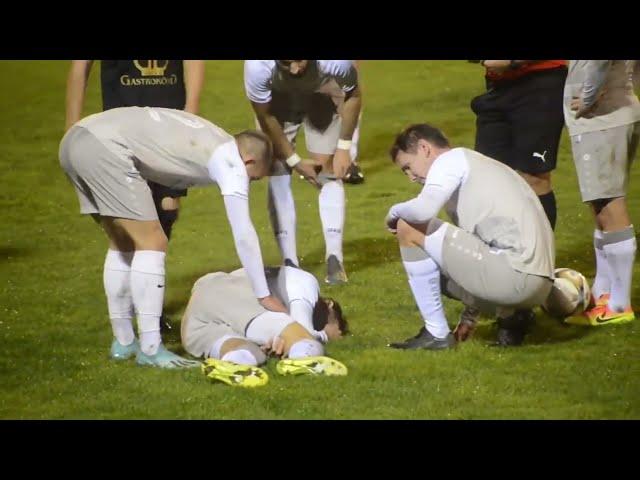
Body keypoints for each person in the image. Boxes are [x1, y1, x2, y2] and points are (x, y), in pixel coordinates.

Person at [59, 106, 286, 368]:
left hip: (75, 140)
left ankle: (123, 342)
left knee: (123, 243)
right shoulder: (231, 160)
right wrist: (263, 294)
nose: (249, 183)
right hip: (106, 149)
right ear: (249, 161)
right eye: (254, 178)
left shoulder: (215, 136)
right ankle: (151, 349)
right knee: (152, 242)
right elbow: (243, 233)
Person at [385, 123, 555, 348]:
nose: (411, 177)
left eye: (408, 167)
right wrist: (469, 318)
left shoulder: (448, 162)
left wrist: (393, 214)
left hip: (514, 276)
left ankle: (436, 334)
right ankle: (511, 318)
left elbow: (422, 211)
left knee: (410, 226)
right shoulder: (479, 164)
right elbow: (480, 247)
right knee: (439, 259)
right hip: (540, 286)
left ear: (425, 148)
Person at [244, 60, 362, 284]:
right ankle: (290, 261)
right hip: (277, 96)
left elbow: (354, 94)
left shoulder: (334, 62)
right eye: (286, 62)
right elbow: (266, 115)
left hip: (323, 90)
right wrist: (294, 160)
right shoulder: (258, 66)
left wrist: (344, 148)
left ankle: (334, 257)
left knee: (326, 168)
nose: (295, 68)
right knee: (278, 167)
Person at [65, 60, 206, 241]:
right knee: (130, 210)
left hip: (169, 117)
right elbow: (80, 66)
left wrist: (191, 108)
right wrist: (72, 124)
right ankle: (136, 259)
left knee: (168, 206)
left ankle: (150, 262)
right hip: (122, 121)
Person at [181, 265, 348, 387]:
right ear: (329, 304)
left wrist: (272, 340)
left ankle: (233, 361)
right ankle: (302, 359)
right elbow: (301, 327)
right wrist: (324, 335)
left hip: (193, 323)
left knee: (250, 352)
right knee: (303, 341)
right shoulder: (307, 283)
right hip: (224, 290)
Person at [563, 60, 639, 325]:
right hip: (618, 111)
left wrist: (587, 97)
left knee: (609, 206)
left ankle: (619, 305)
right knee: (601, 206)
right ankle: (603, 294)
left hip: (600, 119)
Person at [470, 60, 567, 230]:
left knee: (533, 177)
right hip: (498, 85)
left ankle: (541, 254)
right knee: (489, 176)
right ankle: (505, 251)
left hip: (540, 84)